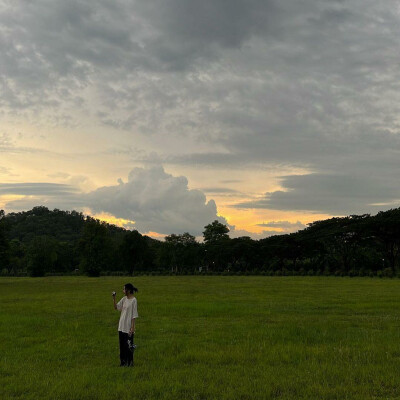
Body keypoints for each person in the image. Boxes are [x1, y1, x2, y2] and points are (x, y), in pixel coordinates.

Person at [112, 283, 138, 367]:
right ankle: (123, 362)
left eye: (124, 289)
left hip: (128, 326)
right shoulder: (124, 299)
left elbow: (134, 315)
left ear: (129, 290)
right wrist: (114, 298)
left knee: (129, 345)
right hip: (121, 325)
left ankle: (130, 362)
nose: (123, 291)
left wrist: (132, 327)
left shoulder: (134, 300)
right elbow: (116, 307)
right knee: (122, 345)